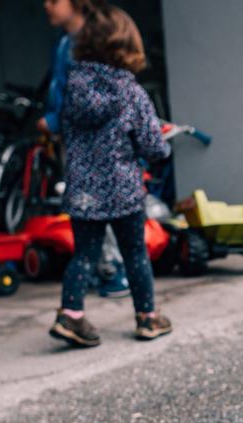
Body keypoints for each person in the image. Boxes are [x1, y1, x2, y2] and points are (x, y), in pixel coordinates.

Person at [48, 4, 171, 348]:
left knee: (83, 254)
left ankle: (71, 316)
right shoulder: (131, 93)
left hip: (83, 191)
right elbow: (154, 147)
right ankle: (147, 317)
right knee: (134, 253)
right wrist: (161, 146)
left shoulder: (74, 89)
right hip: (124, 191)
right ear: (126, 48)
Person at [40, 0, 130, 299]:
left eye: (54, 1)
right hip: (74, 138)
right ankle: (99, 267)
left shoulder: (91, 42)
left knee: (99, 202)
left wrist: (54, 120)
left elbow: (92, 98)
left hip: (94, 142)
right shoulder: (65, 42)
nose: (46, 6)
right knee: (85, 204)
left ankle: (112, 269)